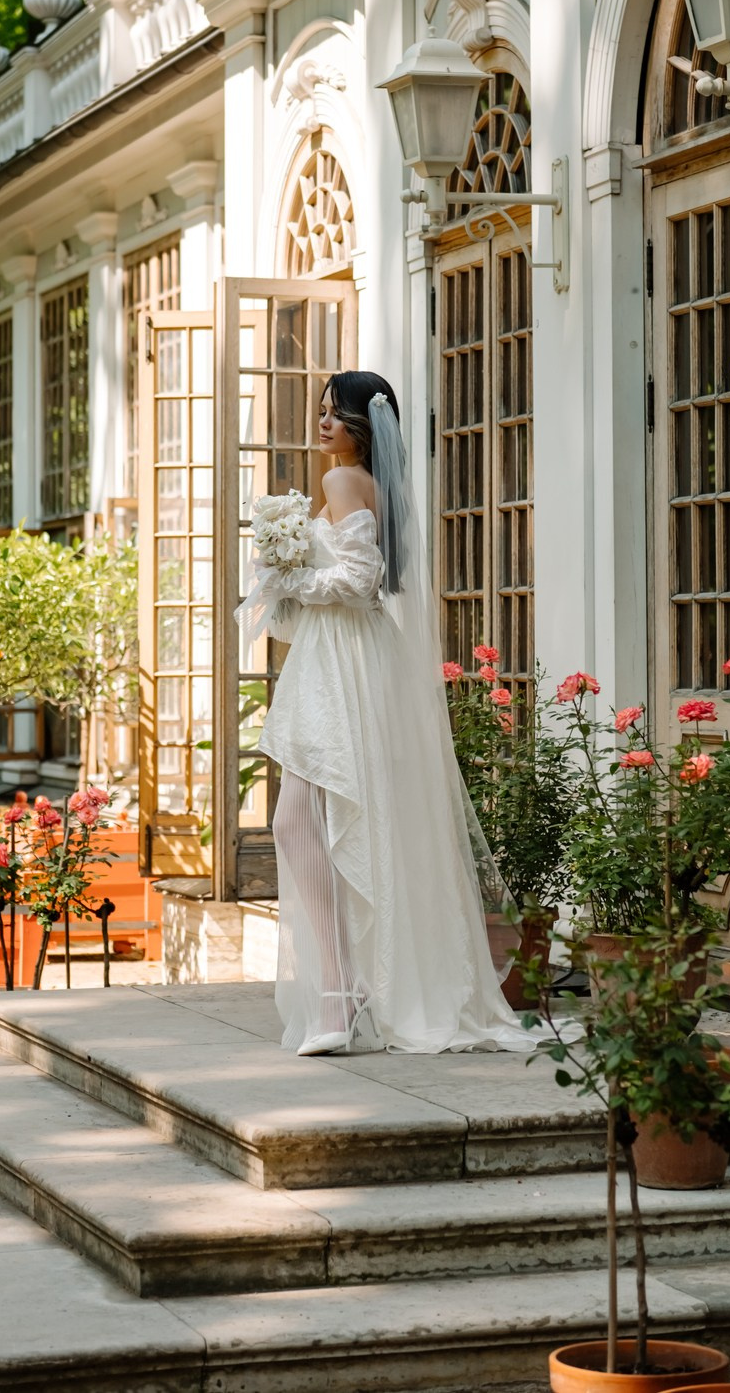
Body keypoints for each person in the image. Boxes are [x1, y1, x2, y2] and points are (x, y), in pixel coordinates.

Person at [237, 369, 534, 1056]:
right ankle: (348, 992)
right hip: (339, 653)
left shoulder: (343, 482)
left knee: (299, 819)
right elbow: (347, 582)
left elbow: (357, 580)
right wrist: (286, 586)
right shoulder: (355, 483)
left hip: (342, 658)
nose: (322, 423)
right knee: (326, 819)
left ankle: (342, 998)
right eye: (319, 411)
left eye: (333, 414)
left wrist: (288, 576)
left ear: (362, 427)